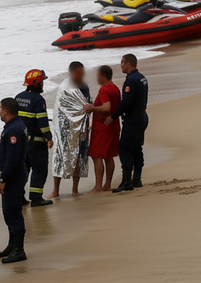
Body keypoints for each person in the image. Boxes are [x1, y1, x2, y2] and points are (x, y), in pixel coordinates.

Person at [0, 69, 54, 207]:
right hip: (37, 143)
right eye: (42, 81)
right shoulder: (38, 100)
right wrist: (49, 137)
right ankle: (36, 198)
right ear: (37, 84)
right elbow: (42, 122)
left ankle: (20, 197)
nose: (43, 84)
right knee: (40, 169)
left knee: (24, 170)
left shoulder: (18, 97)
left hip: (23, 143)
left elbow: (7, 110)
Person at [47, 61, 91, 198]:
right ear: (71, 73)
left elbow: (86, 106)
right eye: (78, 72)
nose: (81, 75)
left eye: (82, 72)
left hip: (81, 127)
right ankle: (55, 191)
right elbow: (59, 110)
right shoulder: (65, 87)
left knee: (78, 157)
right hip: (64, 129)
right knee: (60, 157)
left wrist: (85, 124)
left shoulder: (85, 87)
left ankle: (75, 189)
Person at [106, 54, 149, 193]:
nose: (121, 65)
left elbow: (126, 103)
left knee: (125, 149)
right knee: (136, 148)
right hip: (142, 116)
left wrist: (113, 116)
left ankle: (126, 181)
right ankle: (137, 179)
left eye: (122, 62)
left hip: (134, 118)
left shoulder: (131, 81)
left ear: (129, 64)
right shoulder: (142, 78)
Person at [0, 98, 29, 264]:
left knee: (13, 211)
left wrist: (3, 179)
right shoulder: (15, 124)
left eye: (0, 109)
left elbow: (12, 158)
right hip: (14, 174)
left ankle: (19, 250)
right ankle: (12, 245)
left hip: (13, 175)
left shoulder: (14, 129)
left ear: (5, 111)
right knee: (8, 211)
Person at [84, 66, 122, 194]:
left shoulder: (104, 89)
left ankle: (98, 186)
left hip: (102, 128)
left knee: (97, 156)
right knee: (109, 156)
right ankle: (107, 184)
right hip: (113, 126)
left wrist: (92, 108)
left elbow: (106, 108)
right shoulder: (115, 88)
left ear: (102, 76)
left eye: (97, 75)